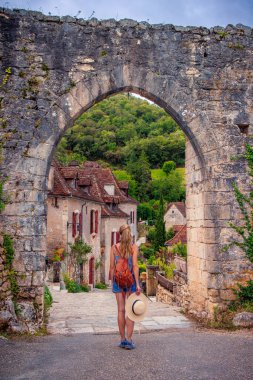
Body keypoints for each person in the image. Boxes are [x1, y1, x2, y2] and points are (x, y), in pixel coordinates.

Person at [109, 224, 141, 350]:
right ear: (130, 234)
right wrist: (137, 284)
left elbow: (112, 267)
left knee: (120, 310)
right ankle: (129, 340)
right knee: (131, 311)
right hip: (131, 281)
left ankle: (122, 340)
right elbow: (135, 266)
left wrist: (113, 283)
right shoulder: (134, 247)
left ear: (120, 234)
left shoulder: (114, 248)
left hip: (118, 281)